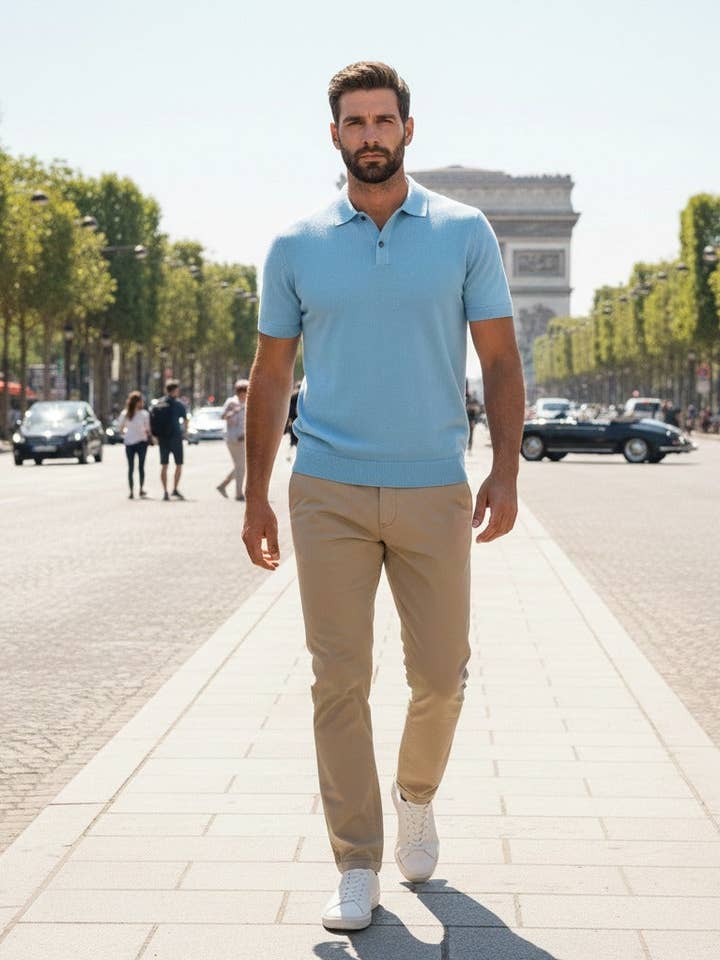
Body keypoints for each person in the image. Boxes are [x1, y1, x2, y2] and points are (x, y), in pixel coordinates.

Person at [242, 61, 524, 933]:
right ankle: (355, 860)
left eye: (383, 121)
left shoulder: (464, 231)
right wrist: (256, 494)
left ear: (408, 128)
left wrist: (506, 469)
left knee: (442, 677)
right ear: (335, 134)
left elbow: (502, 360)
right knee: (339, 679)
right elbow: (269, 374)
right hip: (324, 485)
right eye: (354, 122)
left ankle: (416, 793)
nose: (370, 135)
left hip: (433, 484)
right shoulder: (295, 244)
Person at [150, 379, 187, 501]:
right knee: (178, 465)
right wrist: (185, 432)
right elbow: (185, 419)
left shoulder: (158, 404)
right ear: (175, 391)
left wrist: (155, 436)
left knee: (164, 465)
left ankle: (165, 491)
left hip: (163, 439)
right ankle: (175, 489)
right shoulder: (178, 404)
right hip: (175, 437)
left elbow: (152, 420)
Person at [217, 379, 248, 501]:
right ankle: (238, 493)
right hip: (233, 438)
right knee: (241, 466)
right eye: (242, 391)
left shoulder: (249, 402)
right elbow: (223, 416)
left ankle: (223, 485)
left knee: (240, 466)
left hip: (245, 437)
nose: (243, 394)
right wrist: (234, 411)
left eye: (245, 391)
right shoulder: (231, 402)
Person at [117, 390, 152, 499]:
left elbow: (148, 429)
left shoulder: (143, 414)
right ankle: (132, 491)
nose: (142, 403)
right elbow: (121, 427)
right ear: (137, 402)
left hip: (139, 442)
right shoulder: (127, 413)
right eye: (141, 401)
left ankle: (140, 489)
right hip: (133, 443)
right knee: (132, 467)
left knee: (140, 467)